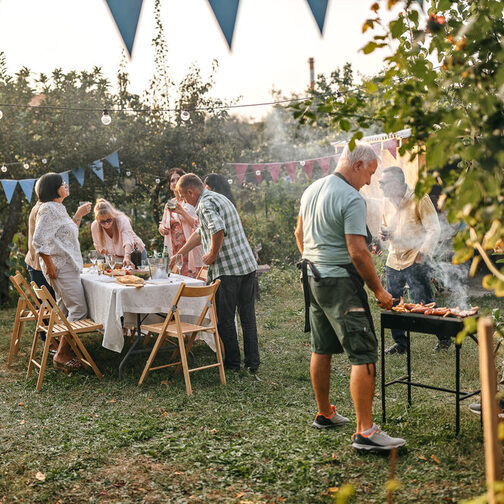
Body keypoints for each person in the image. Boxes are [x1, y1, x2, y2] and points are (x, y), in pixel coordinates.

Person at [294, 142, 406, 452]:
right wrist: (379, 290)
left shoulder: (311, 189)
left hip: (312, 279)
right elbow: (358, 252)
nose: (370, 181)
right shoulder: (351, 198)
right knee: (364, 351)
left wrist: (314, 259)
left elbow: (299, 234)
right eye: (370, 173)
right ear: (357, 165)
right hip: (340, 283)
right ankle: (365, 432)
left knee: (322, 346)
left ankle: (325, 412)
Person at [170, 173, 260, 373]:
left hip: (228, 271)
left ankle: (233, 365)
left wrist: (211, 254)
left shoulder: (203, 204)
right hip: (247, 266)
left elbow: (217, 229)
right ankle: (253, 363)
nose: (185, 202)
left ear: (191, 192)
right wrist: (180, 253)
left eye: (184, 197)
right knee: (248, 318)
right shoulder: (218, 197)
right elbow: (201, 231)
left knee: (224, 320)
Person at [379, 166, 449, 354]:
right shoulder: (386, 202)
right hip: (394, 258)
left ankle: (444, 338)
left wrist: (423, 252)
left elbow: (434, 228)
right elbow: (387, 226)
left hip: (415, 258)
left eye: (383, 183)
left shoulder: (420, 198)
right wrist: (385, 233)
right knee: (393, 301)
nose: (380, 186)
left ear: (396, 183)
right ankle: (401, 344)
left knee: (424, 301)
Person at [32, 172, 91, 370]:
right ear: (54, 189)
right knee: (79, 309)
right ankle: (63, 353)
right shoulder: (48, 209)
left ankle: (62, 348)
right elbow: (38, 240)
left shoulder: (58, 208)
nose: (66, 185)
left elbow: (63, 235)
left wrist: (78, 216)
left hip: (67, 266)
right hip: (61, 267)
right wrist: (49, 266)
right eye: (62, 183)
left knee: (65, 309)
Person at [159, 168, 202, 278]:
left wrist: (182, 212)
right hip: (174, 250)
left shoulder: (190, 201)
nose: (175, 182)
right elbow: (163, 224)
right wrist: (162, 228)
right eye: (172, 180)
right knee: (176, 281)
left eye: (178, 179)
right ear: (170, 185)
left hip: (189, 249)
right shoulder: (169, 203)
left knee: (191, 283)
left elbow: (198, 226)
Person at [91, 199, 146, 268]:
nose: (106, 224)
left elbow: (127, 241)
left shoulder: (122, 220)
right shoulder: (95, 226)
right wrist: (102, 250)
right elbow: (97, 245)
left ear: (112, 216)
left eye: (109, 220)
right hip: (117, 259)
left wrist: (127, 257)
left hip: (136, 255)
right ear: (98, 220)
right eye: (102, 222)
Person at [25, 178, 55, 300]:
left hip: (38, 263)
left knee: (48, 306)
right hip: (40, 265)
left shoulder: (44, 207)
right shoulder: (43, 210)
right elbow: (40, 240)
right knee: (48, 305)